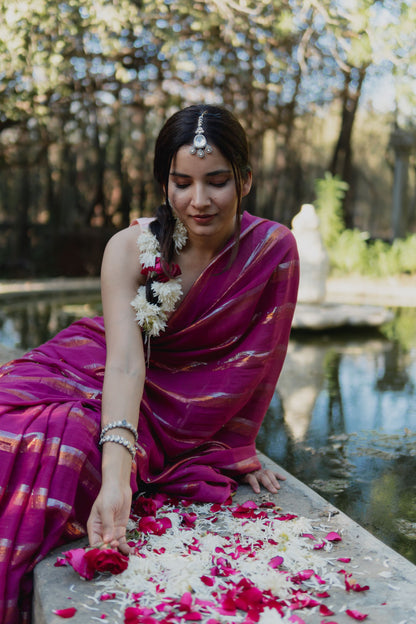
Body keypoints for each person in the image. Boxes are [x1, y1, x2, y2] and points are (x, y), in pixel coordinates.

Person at [0, 104, 299, 623]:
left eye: (217, 182)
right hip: (93, 368)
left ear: (246, 180)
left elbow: (259, 359)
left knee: (69, 449)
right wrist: (119, 478)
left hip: (171, 415)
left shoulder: (273, 251)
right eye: (181, 183)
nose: (198, 201)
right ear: (164, 183)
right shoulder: (129, 248)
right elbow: (123, 364)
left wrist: (235, 444)